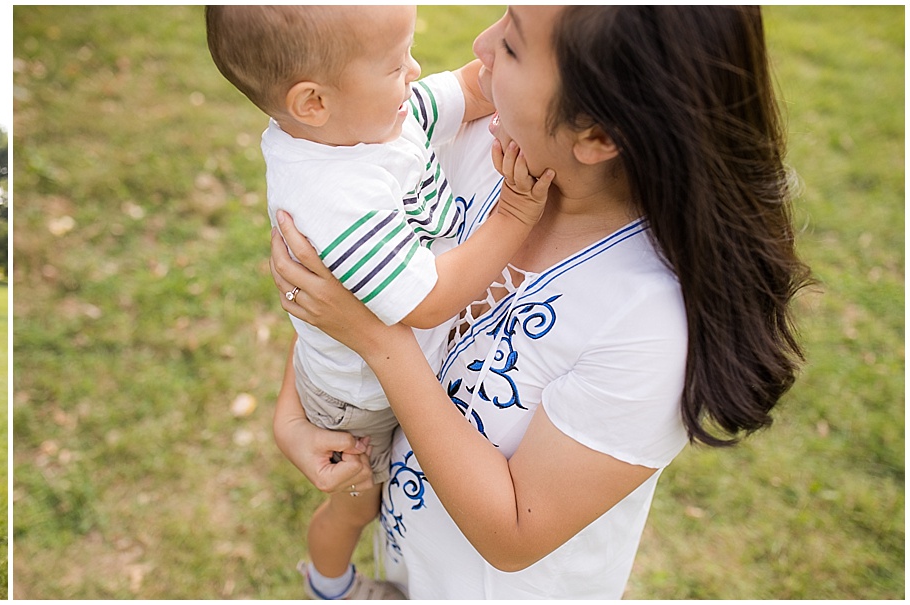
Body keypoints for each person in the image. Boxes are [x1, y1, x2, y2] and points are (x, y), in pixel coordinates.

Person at [268, 6, 808, 598]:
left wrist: (378, 339)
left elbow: (515, 534)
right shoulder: (478, 141)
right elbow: (351, 283)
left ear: (599, 134)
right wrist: (294, 416)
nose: (481, 44)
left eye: (515, 46)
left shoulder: (652, 324)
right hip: (408, 560)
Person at [204, 6, 547, 599]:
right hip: (353, 401)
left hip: (367, 365)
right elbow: (430, 301)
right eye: (395, 64)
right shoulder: (337, 194)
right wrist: (514, 214)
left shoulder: (371, 119)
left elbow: (467, 86)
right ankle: (332, 584)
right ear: (313, 102)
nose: (415, 70)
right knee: (359, 502)